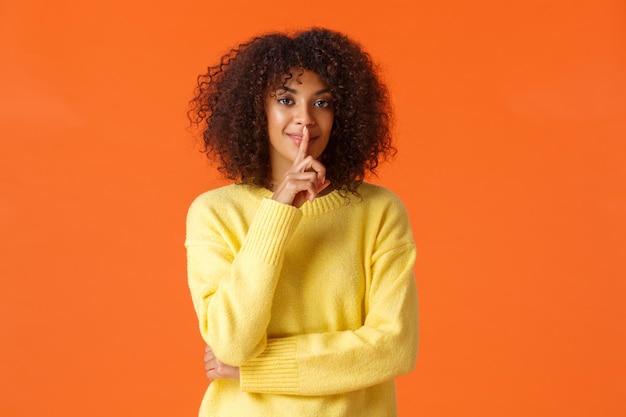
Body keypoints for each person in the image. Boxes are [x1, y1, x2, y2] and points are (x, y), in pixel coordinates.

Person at [185, 28, 418, 417]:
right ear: (255, 109)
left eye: (322, 102)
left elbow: (394, 347)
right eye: (286, 100)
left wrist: (258, 371)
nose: (305, 120)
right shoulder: (215, 213)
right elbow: (232, 346)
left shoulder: (379, 212)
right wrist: (278, 211)